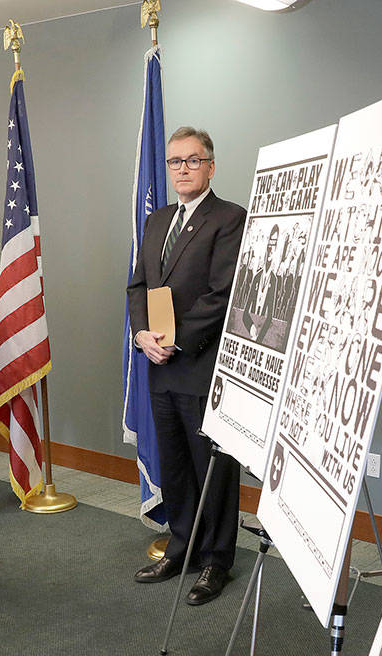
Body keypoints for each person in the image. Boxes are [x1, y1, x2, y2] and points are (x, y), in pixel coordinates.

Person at [127, 126, 246, 605]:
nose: (182, 169)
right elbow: (138, 286)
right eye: (175, 161)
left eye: (192, 161)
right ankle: (182, 545)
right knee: (175, 462)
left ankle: (217, 560)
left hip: (204, 365)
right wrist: (141, 335)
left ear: (210, 166)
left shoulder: (229, 218)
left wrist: (175, 341)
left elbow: (224, 294)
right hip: (158, 363)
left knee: (212, 467)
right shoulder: (157, 221)